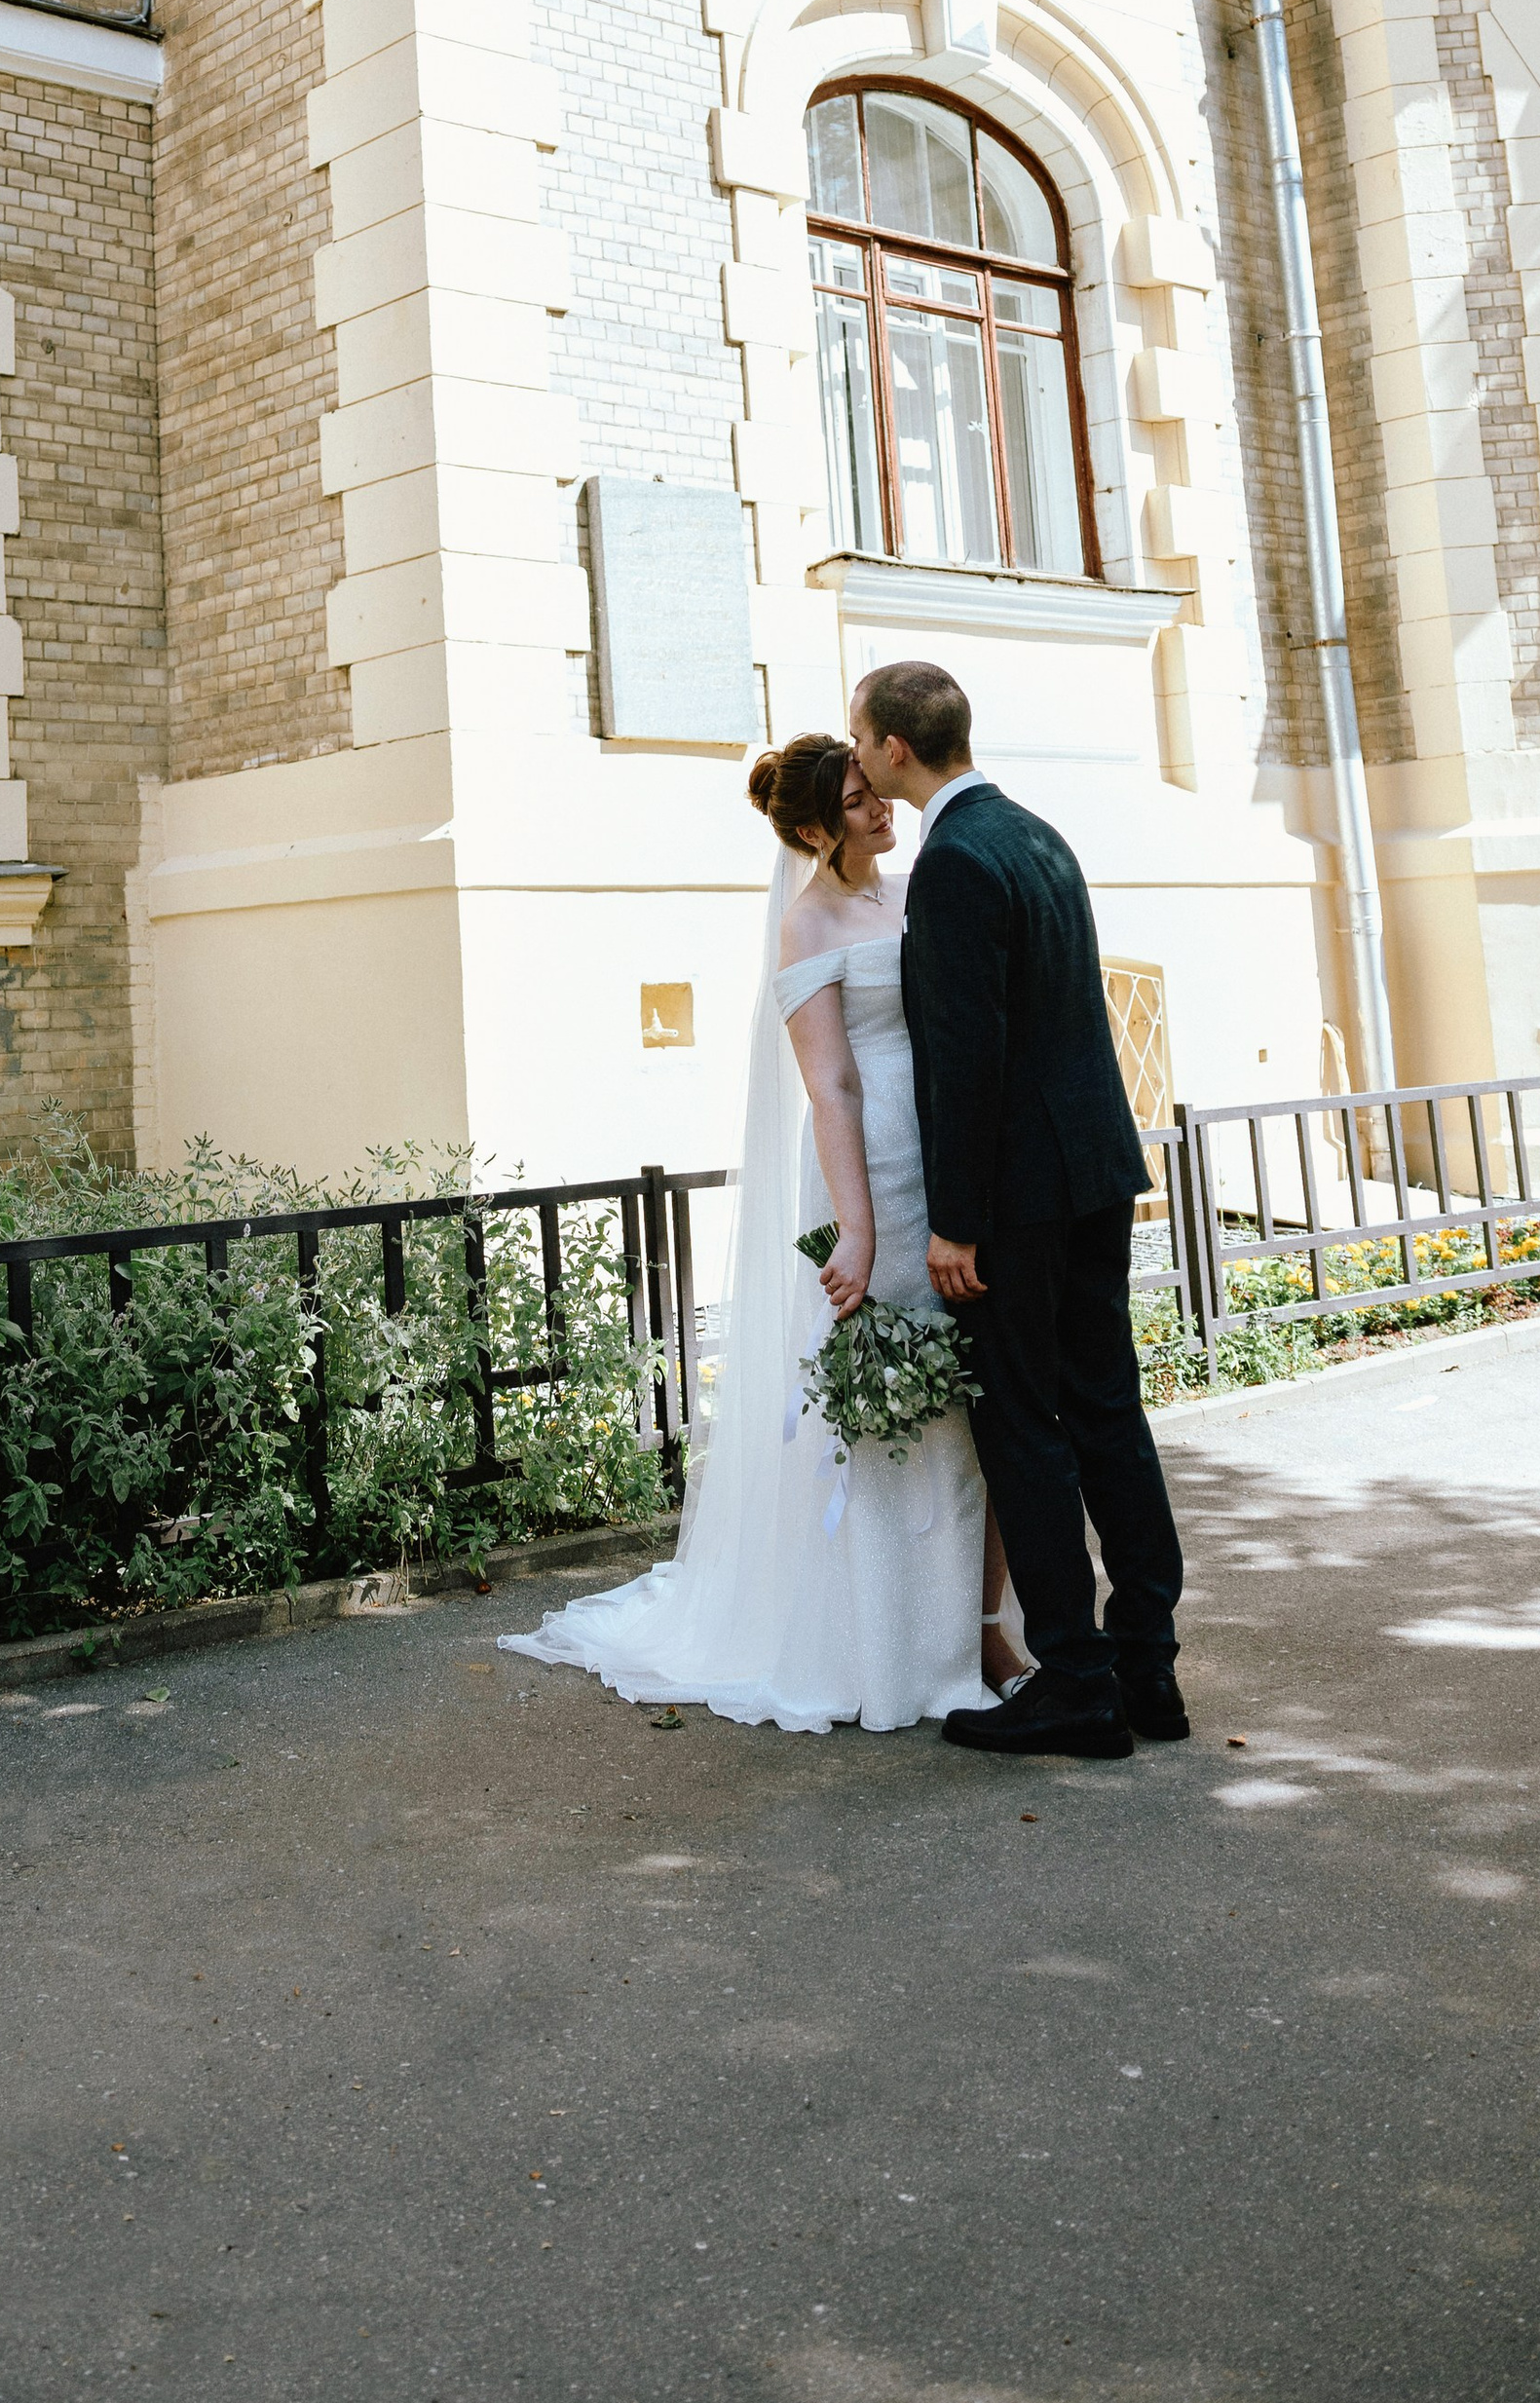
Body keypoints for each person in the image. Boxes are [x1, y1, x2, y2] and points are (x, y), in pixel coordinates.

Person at [499, 731, 1011, 1732]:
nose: (881, 807)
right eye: (859, 799)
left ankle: (976, 1623)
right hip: (877, 1173)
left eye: (876, 788)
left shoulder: (913, 890)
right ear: (815, 829)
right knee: (892, 1410)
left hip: (953, 1157)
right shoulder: (809, 927)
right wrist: (856, 1230)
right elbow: (831, 1084)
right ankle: (883, 1645)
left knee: (972, 1404)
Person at [848, 658, 1187, 1761]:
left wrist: (954, 1223)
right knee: (1107, 1413)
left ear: (896, 748)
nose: (855, 757)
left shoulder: (950, 863)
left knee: (1021, 1426)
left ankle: (1076, 1682)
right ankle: (1150, 1670)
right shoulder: (1038, 834)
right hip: (1094, 1171)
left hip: (1018, 1198)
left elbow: (971, 1054)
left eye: (860, 740)